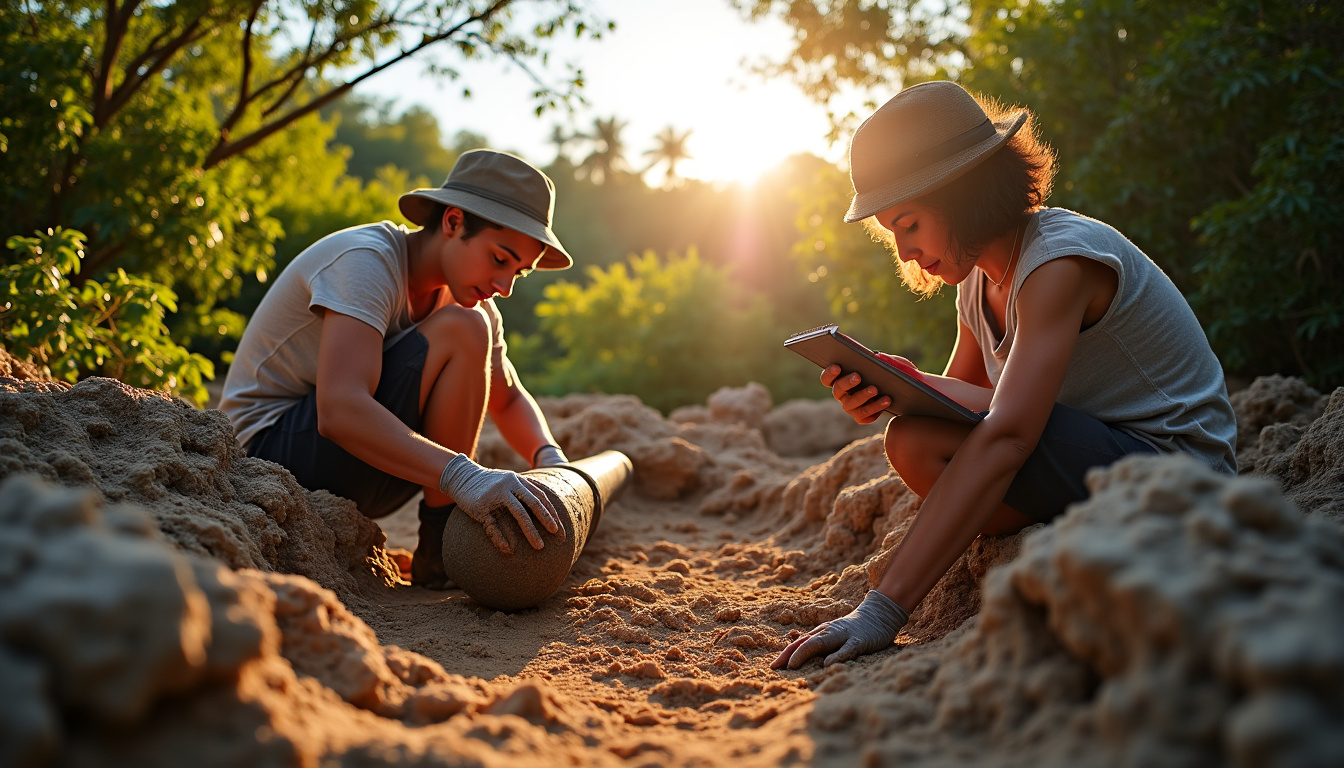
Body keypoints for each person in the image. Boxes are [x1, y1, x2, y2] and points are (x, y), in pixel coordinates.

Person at [772, 81, 1237, 670]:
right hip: (1093, 456)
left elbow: (1008, 433)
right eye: (892, 234)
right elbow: (970, 411)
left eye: (910, 224)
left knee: (956, 446)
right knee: (912, 440)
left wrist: (881, 611)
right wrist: (897, 387)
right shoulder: (976, 282)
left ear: (962, 193)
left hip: (1180, 474)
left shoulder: (1058, 263)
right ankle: (1058, 542)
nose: (906, 252)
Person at [220, 149, 574, 588]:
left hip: (357, 470)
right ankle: (444, 542)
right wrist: (468, 478)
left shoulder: (470, 299)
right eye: (500, 260)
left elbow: (507, 396)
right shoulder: (366, 261)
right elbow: (340, 409)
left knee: (472, 324)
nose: (503, 287)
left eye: (517, 274)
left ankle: (438, 550)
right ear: (453, 222)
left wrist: (551, 458)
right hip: (266, 463)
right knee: (467, 327)